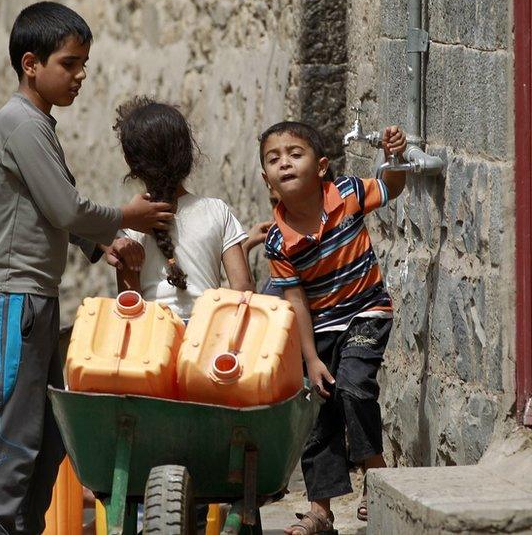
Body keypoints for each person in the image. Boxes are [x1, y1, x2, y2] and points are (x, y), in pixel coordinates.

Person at [0, 2, 172, 534]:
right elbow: (65, 208)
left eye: (84, 63)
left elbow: (50, 208)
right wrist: (128, 218)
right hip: (8, 298)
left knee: (48, 437)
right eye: (70, 63)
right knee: (12, 437)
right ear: (31, 64)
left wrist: (104, 244)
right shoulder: (21, 123)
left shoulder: (36, 124)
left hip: (32, 298)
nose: (80, 75)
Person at [257, 121, 407, 534]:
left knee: (355, 385)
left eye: (295, 154)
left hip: (365, 313)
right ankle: (320, 510)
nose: (284, 162)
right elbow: (296, 302)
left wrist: (394, 158)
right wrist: (309, 358)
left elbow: (391, 186)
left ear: (321, 166)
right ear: (267, 179)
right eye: (274, 159)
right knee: (316, 411)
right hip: (319, 328)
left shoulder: (347, 194)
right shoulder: (278, 242)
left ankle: (375, 474)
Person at [113, 96, 254, 320]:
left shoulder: (131, 226)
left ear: (133, 164)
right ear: (186, 155)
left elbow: (129, 302)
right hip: (207, 334)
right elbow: (243, 288)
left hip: (153, 338)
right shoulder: (216, 210)